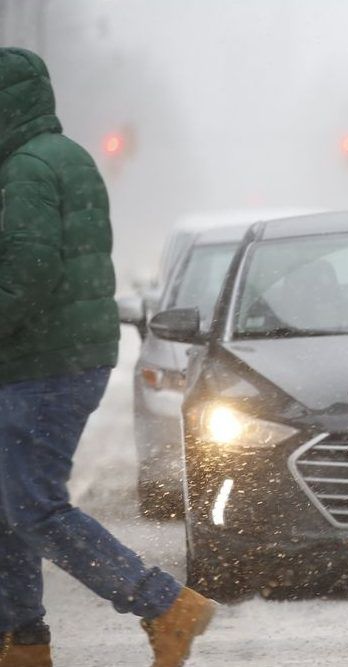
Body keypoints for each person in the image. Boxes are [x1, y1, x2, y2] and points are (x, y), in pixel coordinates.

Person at [0, 48, 214, 667]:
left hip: (41, 361)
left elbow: (27, 269)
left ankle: (164, 604)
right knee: (8, 504)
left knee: (33, 507)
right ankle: (24, 639)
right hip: (55, 355)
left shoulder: (26, 168)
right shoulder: (55, 157)